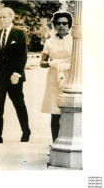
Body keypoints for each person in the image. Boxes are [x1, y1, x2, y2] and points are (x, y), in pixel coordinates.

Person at [0, 7, 31, 143]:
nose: (1, 20)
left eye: (4, 17)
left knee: (19, 105)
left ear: (11, 17)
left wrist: (17, 74)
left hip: (14, 77)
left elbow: (23, 56)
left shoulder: (19, 33)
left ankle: (26, 130)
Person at [40, 11, 73, 143]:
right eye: (58, 23)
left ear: (69, 25)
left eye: (64, 23)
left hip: (70, 77)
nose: (61, 26)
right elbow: (42, 63)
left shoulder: (74, 42)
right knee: (55, 112)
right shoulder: (49, 42)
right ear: (54, 25)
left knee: (70, 112)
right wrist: (50, 63)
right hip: (54, 78)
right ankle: (55, 143)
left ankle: (68, 142)